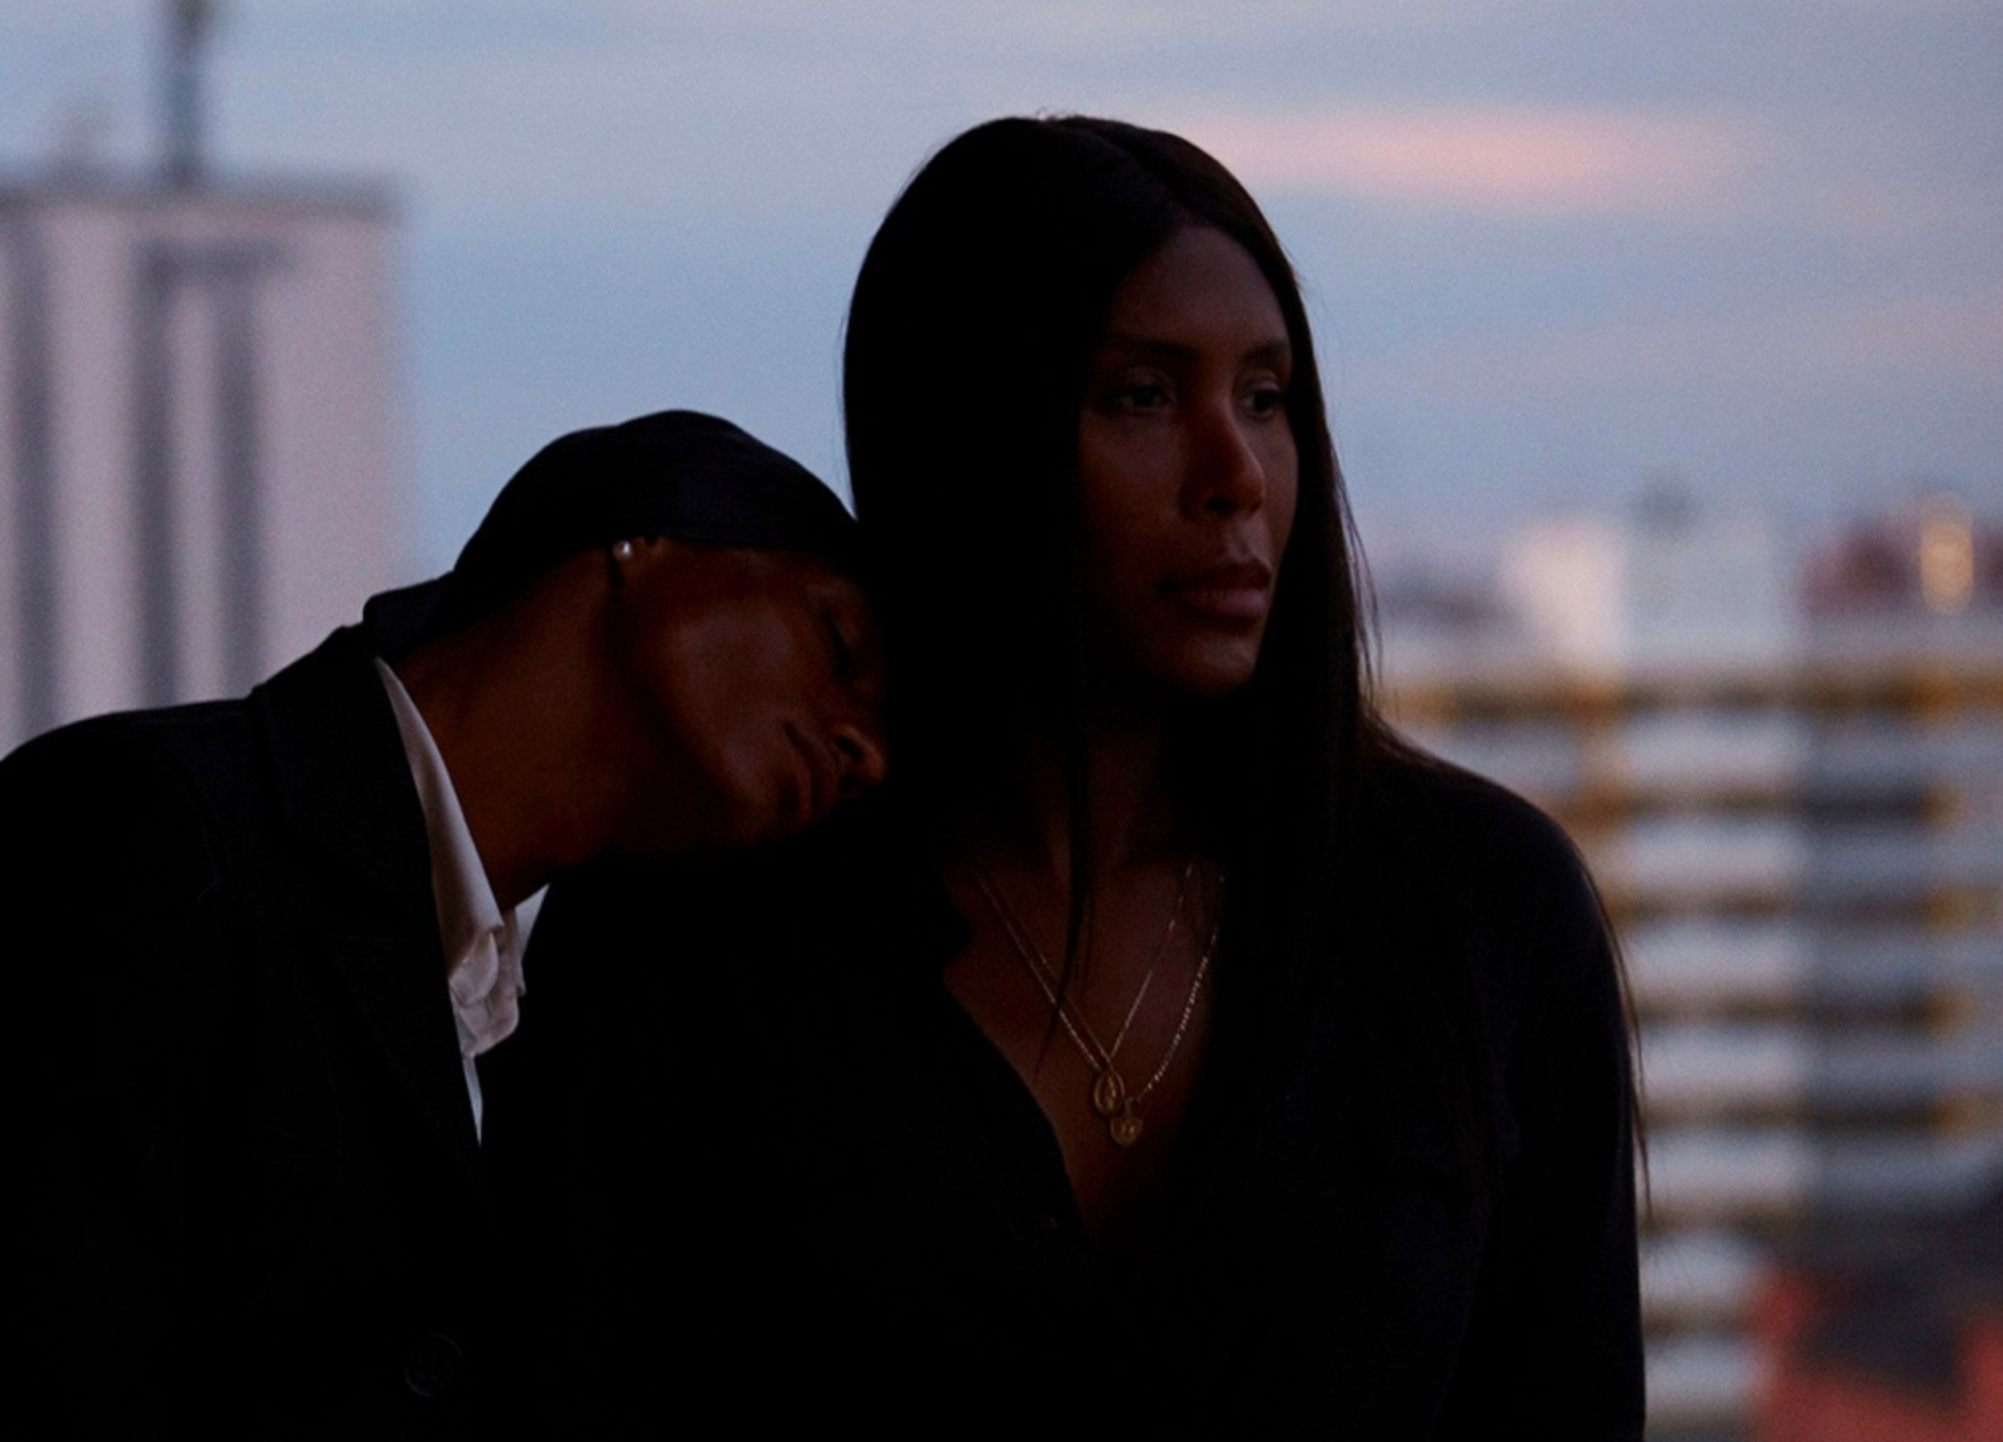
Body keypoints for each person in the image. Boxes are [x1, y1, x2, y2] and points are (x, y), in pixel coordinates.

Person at [503, 119, 1643, 1436]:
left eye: (1266, 397)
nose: (1236, 478)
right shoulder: (690, 929)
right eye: (1142, 395)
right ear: (967, 434)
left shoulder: (1478, 915)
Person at [0, 409, 888, 1437]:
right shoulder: (135, 825)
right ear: (641, 539)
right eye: (838, 642)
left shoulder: (542, 1025)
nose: (865, 751)